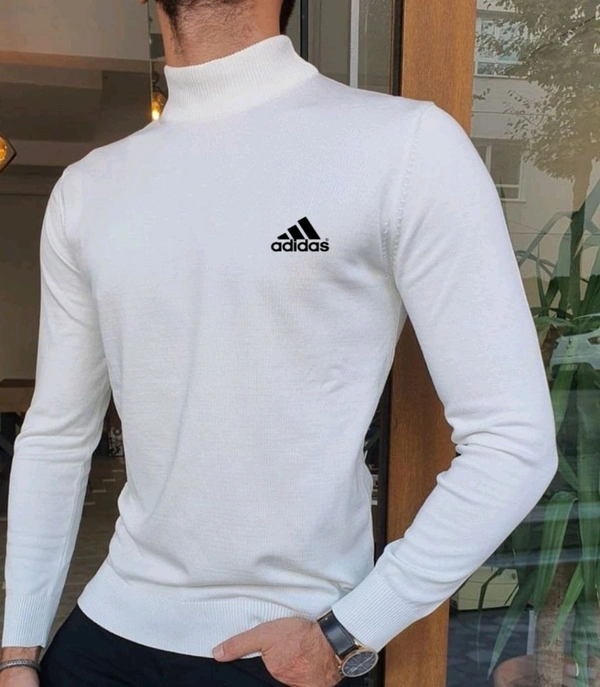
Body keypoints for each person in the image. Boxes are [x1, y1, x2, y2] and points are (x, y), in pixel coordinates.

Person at [0, 0, 559, 685]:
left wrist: (347, 632)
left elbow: (514, 441)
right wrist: (18, 650)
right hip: (105, 635)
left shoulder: (405, 147)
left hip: (288, 652)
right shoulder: (87, 190)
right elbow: (56, 435)